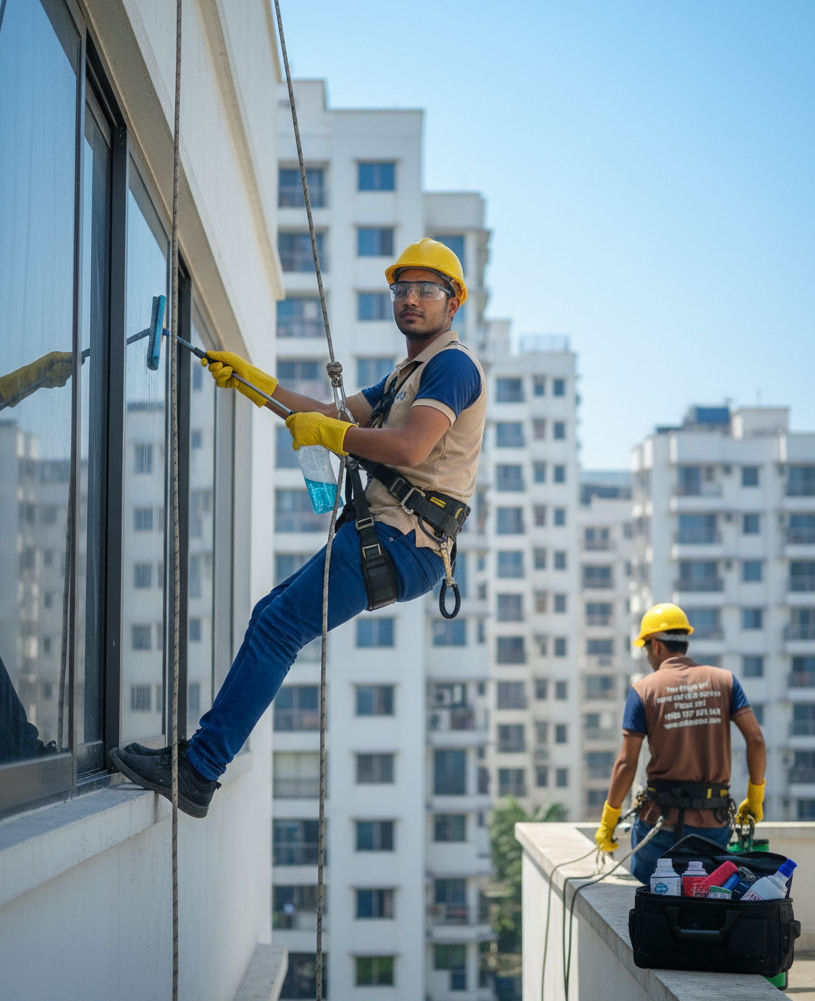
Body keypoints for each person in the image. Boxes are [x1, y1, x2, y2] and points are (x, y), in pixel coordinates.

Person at [110, 238, 487, 817]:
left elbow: (410, 446)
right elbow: (330, 417)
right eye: (402, 289)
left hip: (406, 538)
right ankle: (201, 764)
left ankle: (200, 771)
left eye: (427, 290)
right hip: (393, 534)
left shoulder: (453, 367)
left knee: (279, 625)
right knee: (273, 618)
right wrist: (253, 383)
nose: (411, 300)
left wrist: (332, 437)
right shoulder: (407, 373)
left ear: (452, 303)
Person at [594, 602, 767, 883]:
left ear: (656, 645)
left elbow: (627, 763)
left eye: (646, 648)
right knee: (707, 902)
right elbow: (756, 739)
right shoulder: (725, 681)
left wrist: (608, 822)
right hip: (713, 822)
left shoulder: (643, 691)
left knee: (650, 905)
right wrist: (755, 796)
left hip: (660, 823)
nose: (648, 655)